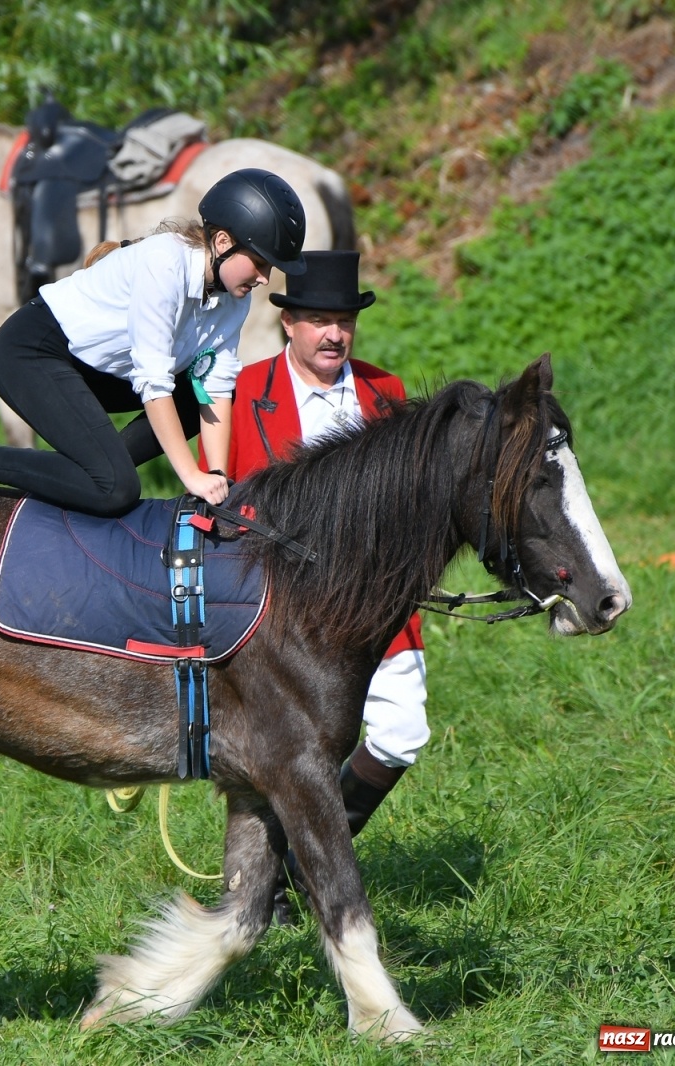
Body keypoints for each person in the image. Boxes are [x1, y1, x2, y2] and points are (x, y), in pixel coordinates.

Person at [210, 249, 428, 922]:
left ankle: (304, 858)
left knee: (402, 732)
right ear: (289, 325)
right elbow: (218, 497)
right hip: (278, 619)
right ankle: (268, 891)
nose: (333, 334)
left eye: (344, 321)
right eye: (318, 321)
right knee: (272, 754)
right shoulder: (244, 391)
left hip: (374, 606)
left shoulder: (385, 393)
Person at [0, 168, 307, 515]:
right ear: (222, 242)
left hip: (96, 372)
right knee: (116, 490)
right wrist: (190, 475)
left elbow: (214, 388)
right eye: (260, 263)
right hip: (33, 353)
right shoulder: (163, 264)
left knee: (195, 392)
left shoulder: (231, 298)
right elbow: (153, 382)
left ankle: (93, 468)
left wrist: (216, 478)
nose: (264, 279)